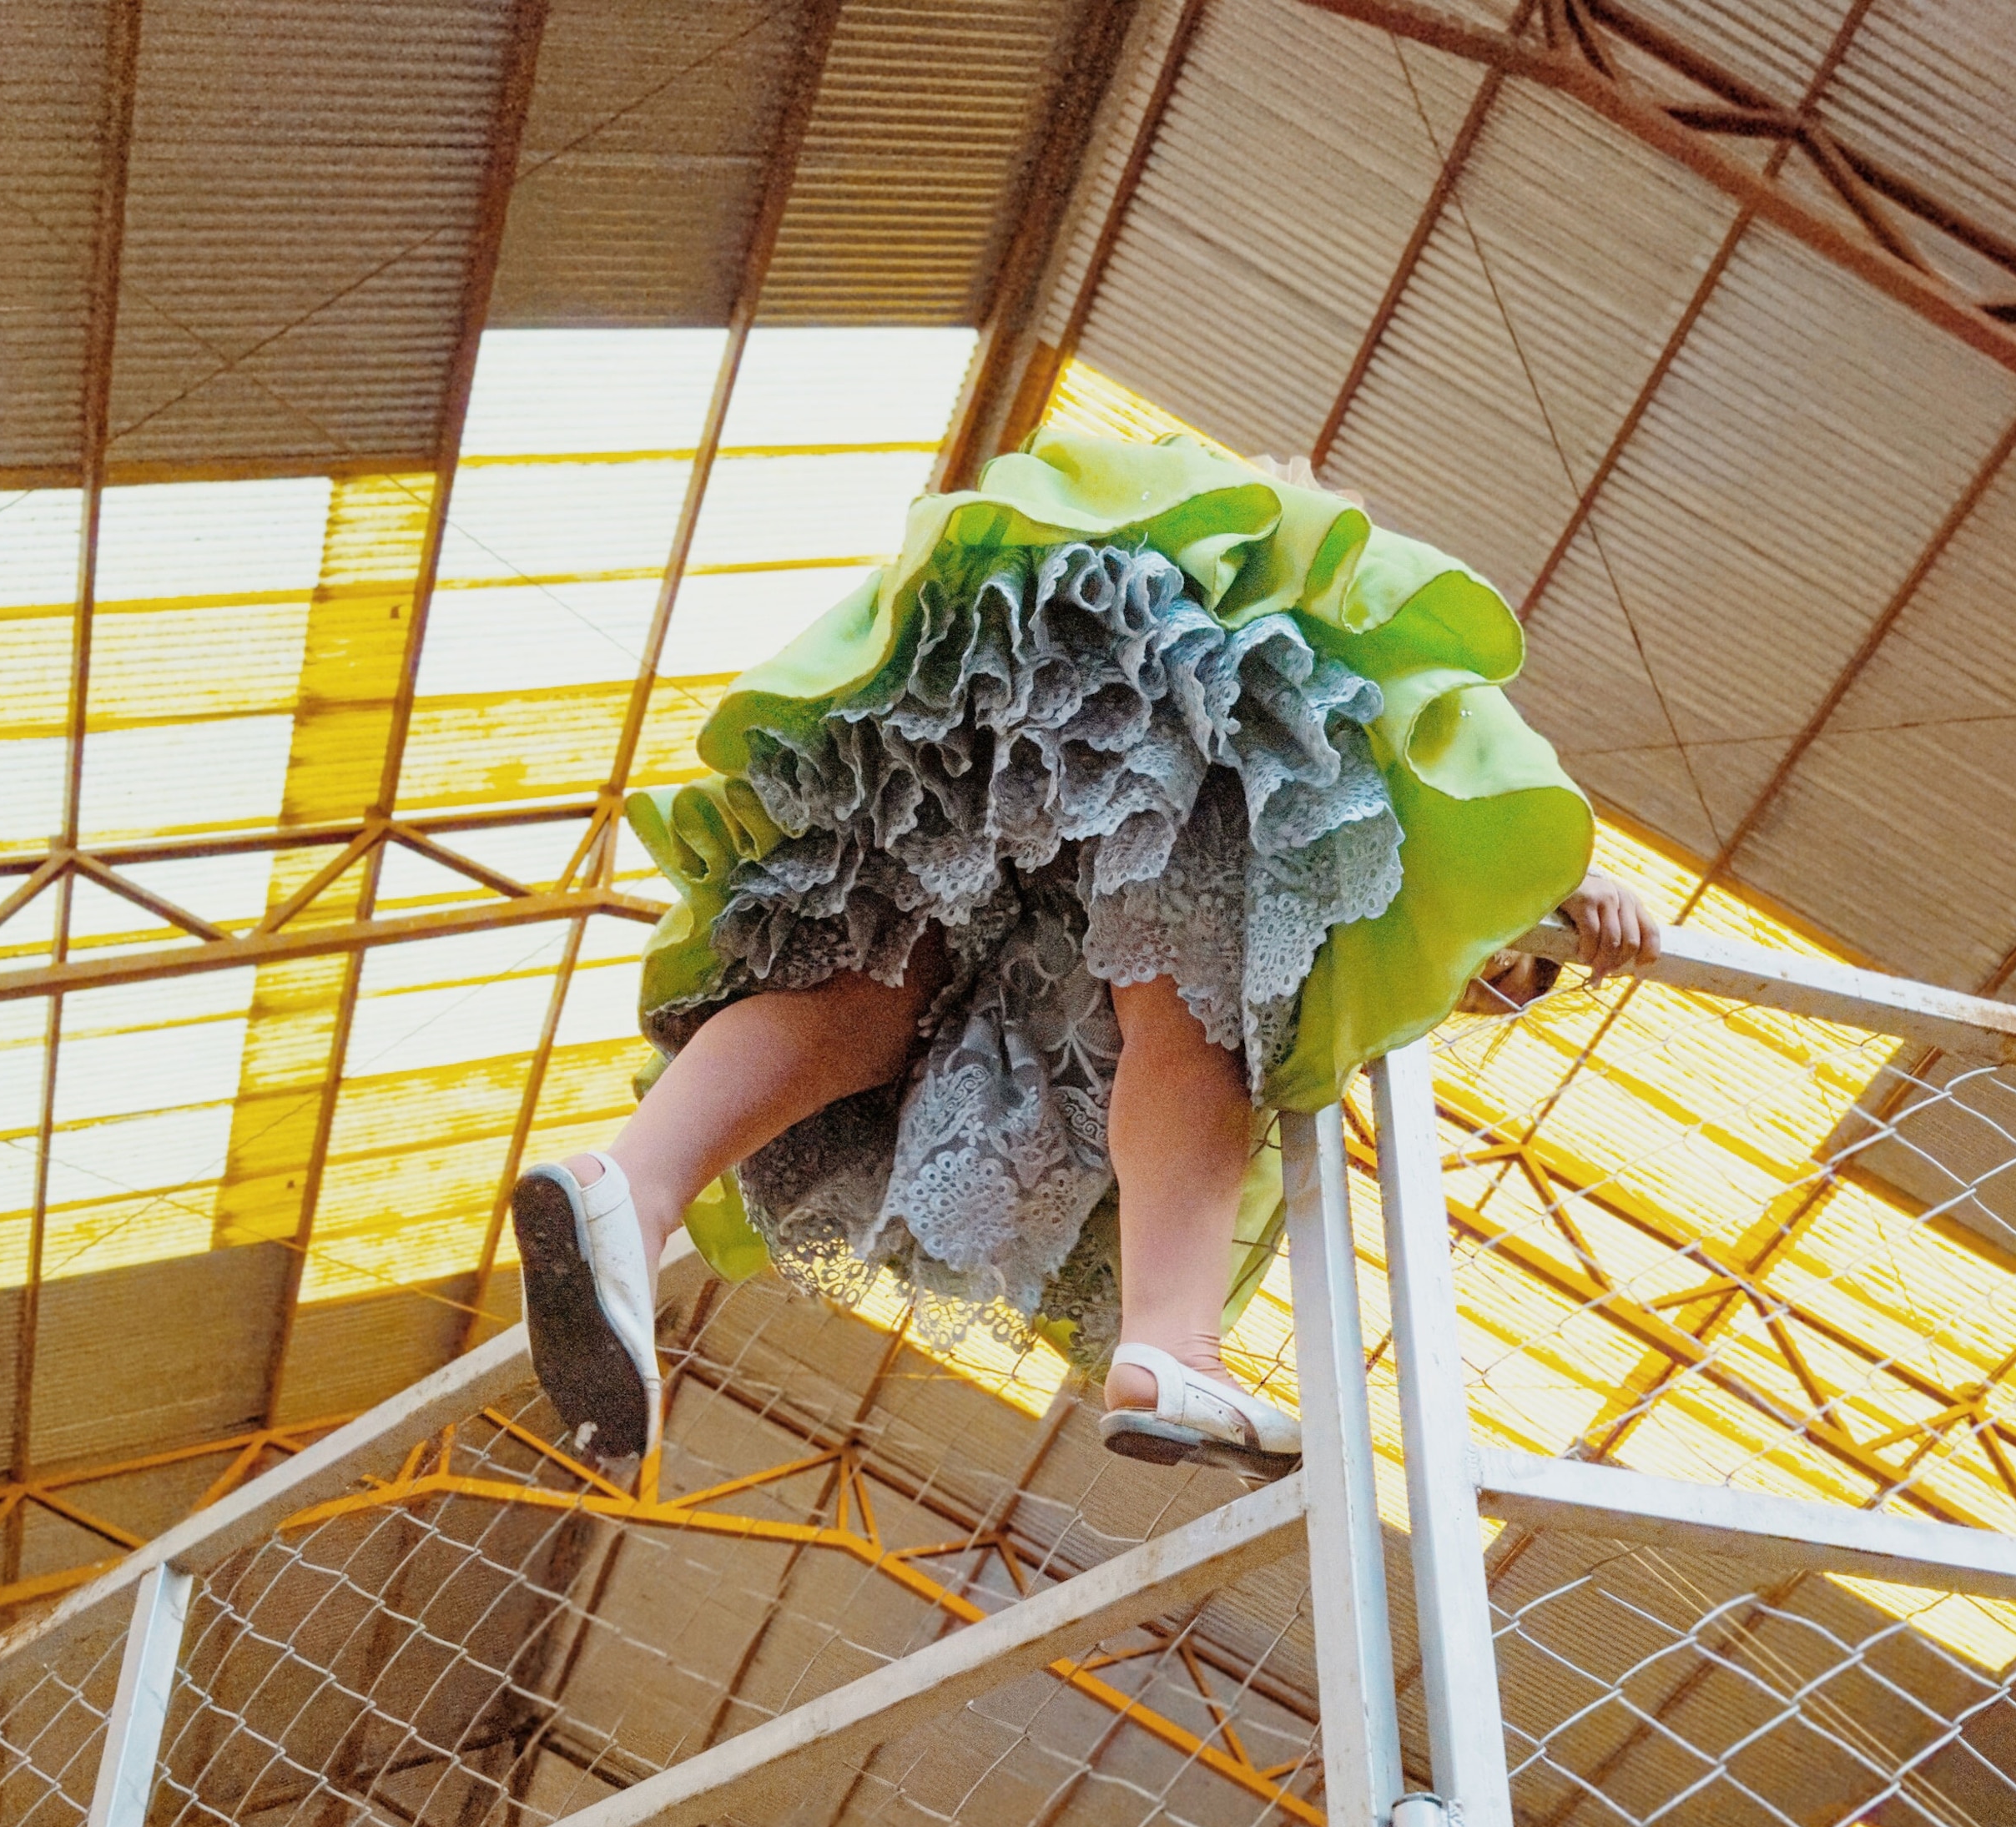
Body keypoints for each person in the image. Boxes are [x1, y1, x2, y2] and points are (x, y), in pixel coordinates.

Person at [512, 431, 1658, 1476]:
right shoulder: (1294, 611)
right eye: (1492, 974)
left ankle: (634, 1185)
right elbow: (1430, 770)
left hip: (982, 666)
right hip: (1167, 686)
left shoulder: (1114, 523)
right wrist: (1555, 880)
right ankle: (1174, 1350)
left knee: (873, 971)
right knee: (1192, 1022)